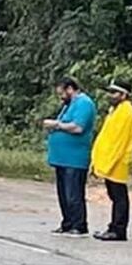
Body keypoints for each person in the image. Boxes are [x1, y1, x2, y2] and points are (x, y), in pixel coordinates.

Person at [43, 77, 97, 236]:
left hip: (74, 159)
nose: (61, 97)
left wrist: (56, 125)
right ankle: (67, 222)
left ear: (70, 89)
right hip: (61, 158)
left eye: (62, 93)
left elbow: (77, 127)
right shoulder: (69, 105)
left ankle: (79, 224)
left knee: (73, 193)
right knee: (63, 193)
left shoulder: (83, 103)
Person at [91, 79, 132, 242]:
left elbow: (118, 142)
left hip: (116, 161)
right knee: (115, 195)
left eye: (114, 92)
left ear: (124, 95)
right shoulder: (116, 110)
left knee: (119, 196)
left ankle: (118, 230)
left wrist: (107, 165)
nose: (110, 95)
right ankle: (113, 227)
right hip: (110, 159)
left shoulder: (126, 112)